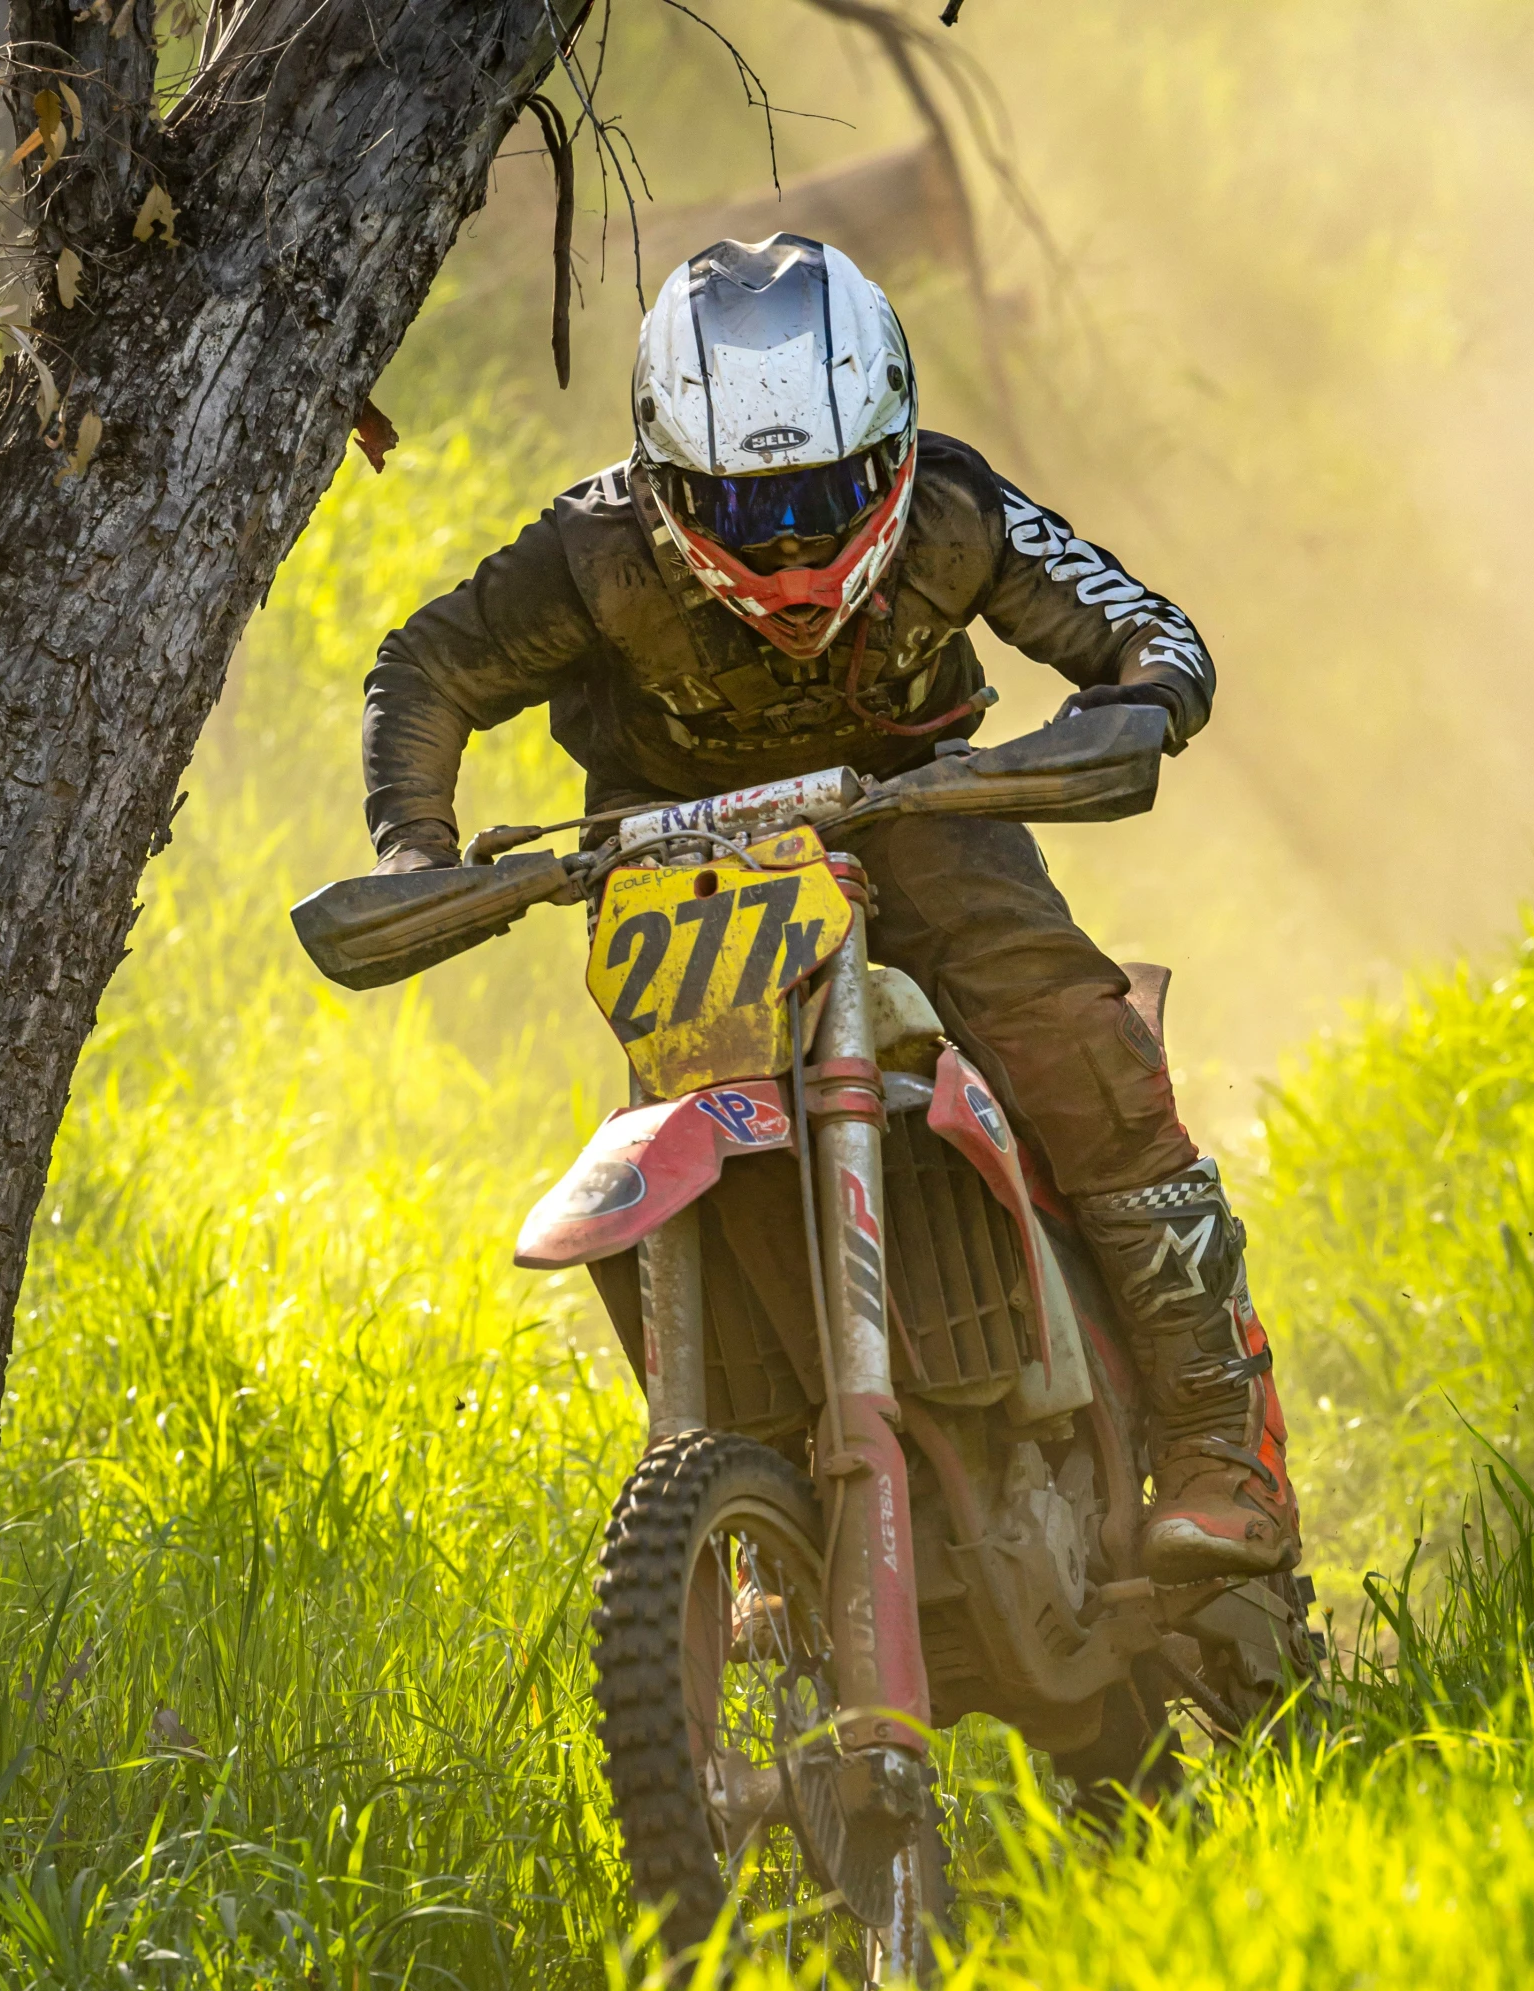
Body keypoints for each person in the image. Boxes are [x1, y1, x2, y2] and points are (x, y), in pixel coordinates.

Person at [360, 233, 1300, 1585]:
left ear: (893, 455)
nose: (793, 548)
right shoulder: (589, 551)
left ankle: (1217, 1449)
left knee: (1079, 1051)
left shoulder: (955, 514)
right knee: (671, 1128)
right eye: (746, 512)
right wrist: (415, 847)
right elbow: (427, 664)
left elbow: (1154, 627)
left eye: (827, 497)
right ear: (666, 482)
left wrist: (1135, 705)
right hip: (685, 868)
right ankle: (752, 1514)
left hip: (921, 817)